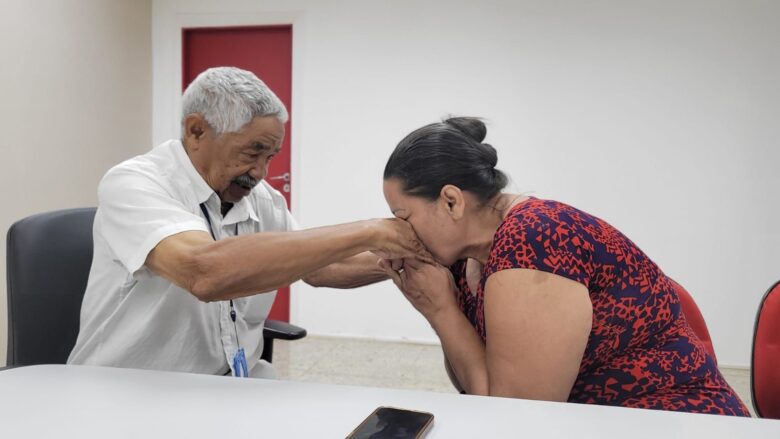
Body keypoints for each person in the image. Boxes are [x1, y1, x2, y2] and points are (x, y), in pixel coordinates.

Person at [67, 67, 429, 378]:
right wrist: (372, 231)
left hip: (227, 387)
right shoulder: (135, 184)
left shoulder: (262, 200)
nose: (260, 172)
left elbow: (323, 266)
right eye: (252, 152)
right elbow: (203, 272)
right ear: (196, 131)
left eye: (270, 156)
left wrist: (412, 255)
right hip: (129, 395)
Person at [379, 116, 750, 416]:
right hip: (598, 421)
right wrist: (370, 237)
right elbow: (324, 271)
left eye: (402, 217)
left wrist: (442, 311)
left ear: (450, 202)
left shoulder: (536, 238)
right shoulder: (467, 254)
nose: (401, 232)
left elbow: (513, 419)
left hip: (674, 422)